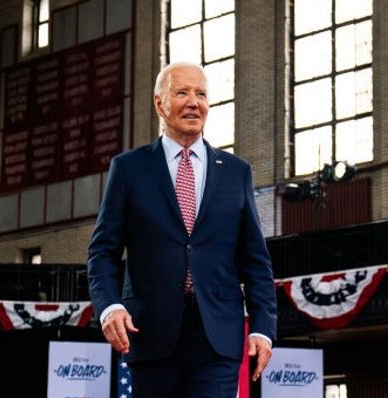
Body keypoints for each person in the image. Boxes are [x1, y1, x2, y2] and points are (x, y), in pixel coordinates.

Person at [87, 62, 277, 397]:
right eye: (182, 92)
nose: (194, 102)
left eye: (201, 94)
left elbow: (256, 260)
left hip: (217, 335)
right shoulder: (129, 169)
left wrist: (263, 327)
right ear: (159, 103)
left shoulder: (236, 172)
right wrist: (109, 306)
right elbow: (102, 252)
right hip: (149, 331)